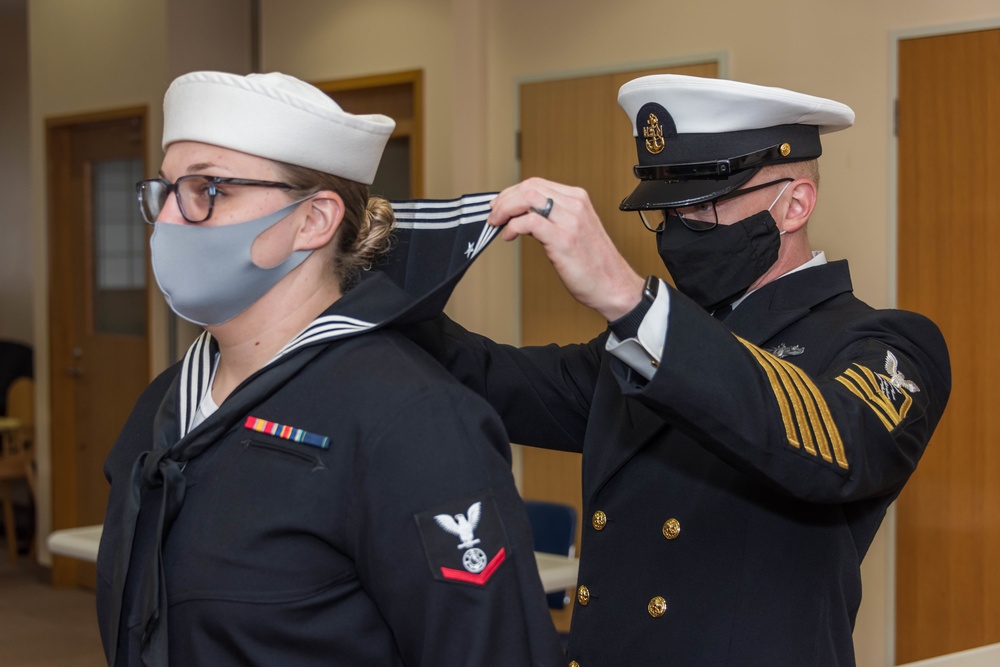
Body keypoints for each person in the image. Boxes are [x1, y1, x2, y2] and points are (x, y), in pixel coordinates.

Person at [402, 75, 951, 666]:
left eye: (701, 208)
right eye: (664, 212)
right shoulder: (650, 341)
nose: (677, 233)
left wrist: (627, 298)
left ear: (794, 204)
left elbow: (832, 443)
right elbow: (490, 379)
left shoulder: (882, 343)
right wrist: (372, 285)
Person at [95, 71, 563, 667]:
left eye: (208, 188)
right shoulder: (164, 407)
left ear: (314, 219)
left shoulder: (410, 420)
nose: (169, 220)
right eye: (167, 190)